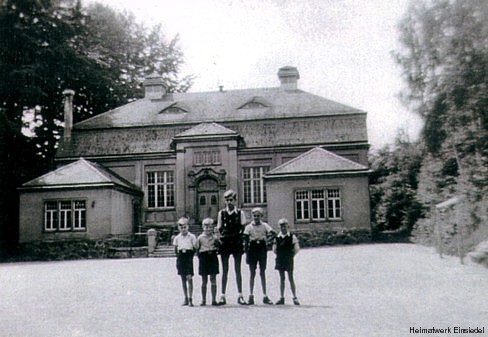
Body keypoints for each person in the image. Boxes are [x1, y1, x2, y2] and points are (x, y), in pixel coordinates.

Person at [216, 189, 247, 305]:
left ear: (235, 200)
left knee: (238, 270)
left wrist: (239, 239)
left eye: (231, 200)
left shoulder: (240, 213)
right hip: (225, 244)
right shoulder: (221, 213)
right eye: (227, 200)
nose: (229, 202)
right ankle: (222, 296)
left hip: (236, 243)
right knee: (225, 270)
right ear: (225, 201)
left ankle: (240, 295)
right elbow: (219, 228)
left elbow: (243, 227)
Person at [243, 207, 276, 305]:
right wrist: (246, 254)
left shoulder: (265, 225)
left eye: (258, 216)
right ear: (252, 216)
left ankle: (265, 295)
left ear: (261, 216)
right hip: (252, 249)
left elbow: (273, 233)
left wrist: (268, 241)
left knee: (262, 272)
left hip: (262, 248)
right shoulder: (249, 227)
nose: (256, 218)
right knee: (252, 272)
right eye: (254, 216)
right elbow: (245, 239)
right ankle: (251, 295)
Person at [273, 218, 300, 305]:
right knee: (282, 279)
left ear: (287, 226)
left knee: (290, 278)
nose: (283, 228)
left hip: (288, 259)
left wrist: (291, 256)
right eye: (281, 226)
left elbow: (296, 249)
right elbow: (274, 249)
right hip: (280, 259)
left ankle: (294, 297)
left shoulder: (292, 237)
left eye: (284, 226)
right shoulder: (277, 237)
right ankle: (281, 297)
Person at [196, 218, 221, 306]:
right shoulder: (200, 238)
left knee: (213, 279)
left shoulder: (214, 237)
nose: (208, 229)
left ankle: (214, 300)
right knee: (204, 280)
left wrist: (218, 238)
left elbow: (219, 247)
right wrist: (201, 258)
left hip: (212, 257)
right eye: (206, 227)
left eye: (210, 227)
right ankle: (203, 300)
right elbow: (197, 250)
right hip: (204, 257)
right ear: (203, 227)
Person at [172, 217, 197, 306]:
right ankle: (185, 297)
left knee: (189, 278)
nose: (183, 229)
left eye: (185, 227)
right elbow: (175, 249)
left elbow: (195, 248)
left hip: (188, 257)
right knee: (183, 279)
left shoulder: (192, 237)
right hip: (181, 257)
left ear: (188, 227)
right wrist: (179, 256)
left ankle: (190, 298)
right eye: (181, 227)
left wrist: (190, 255)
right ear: (179, 228)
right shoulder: (177, 238)